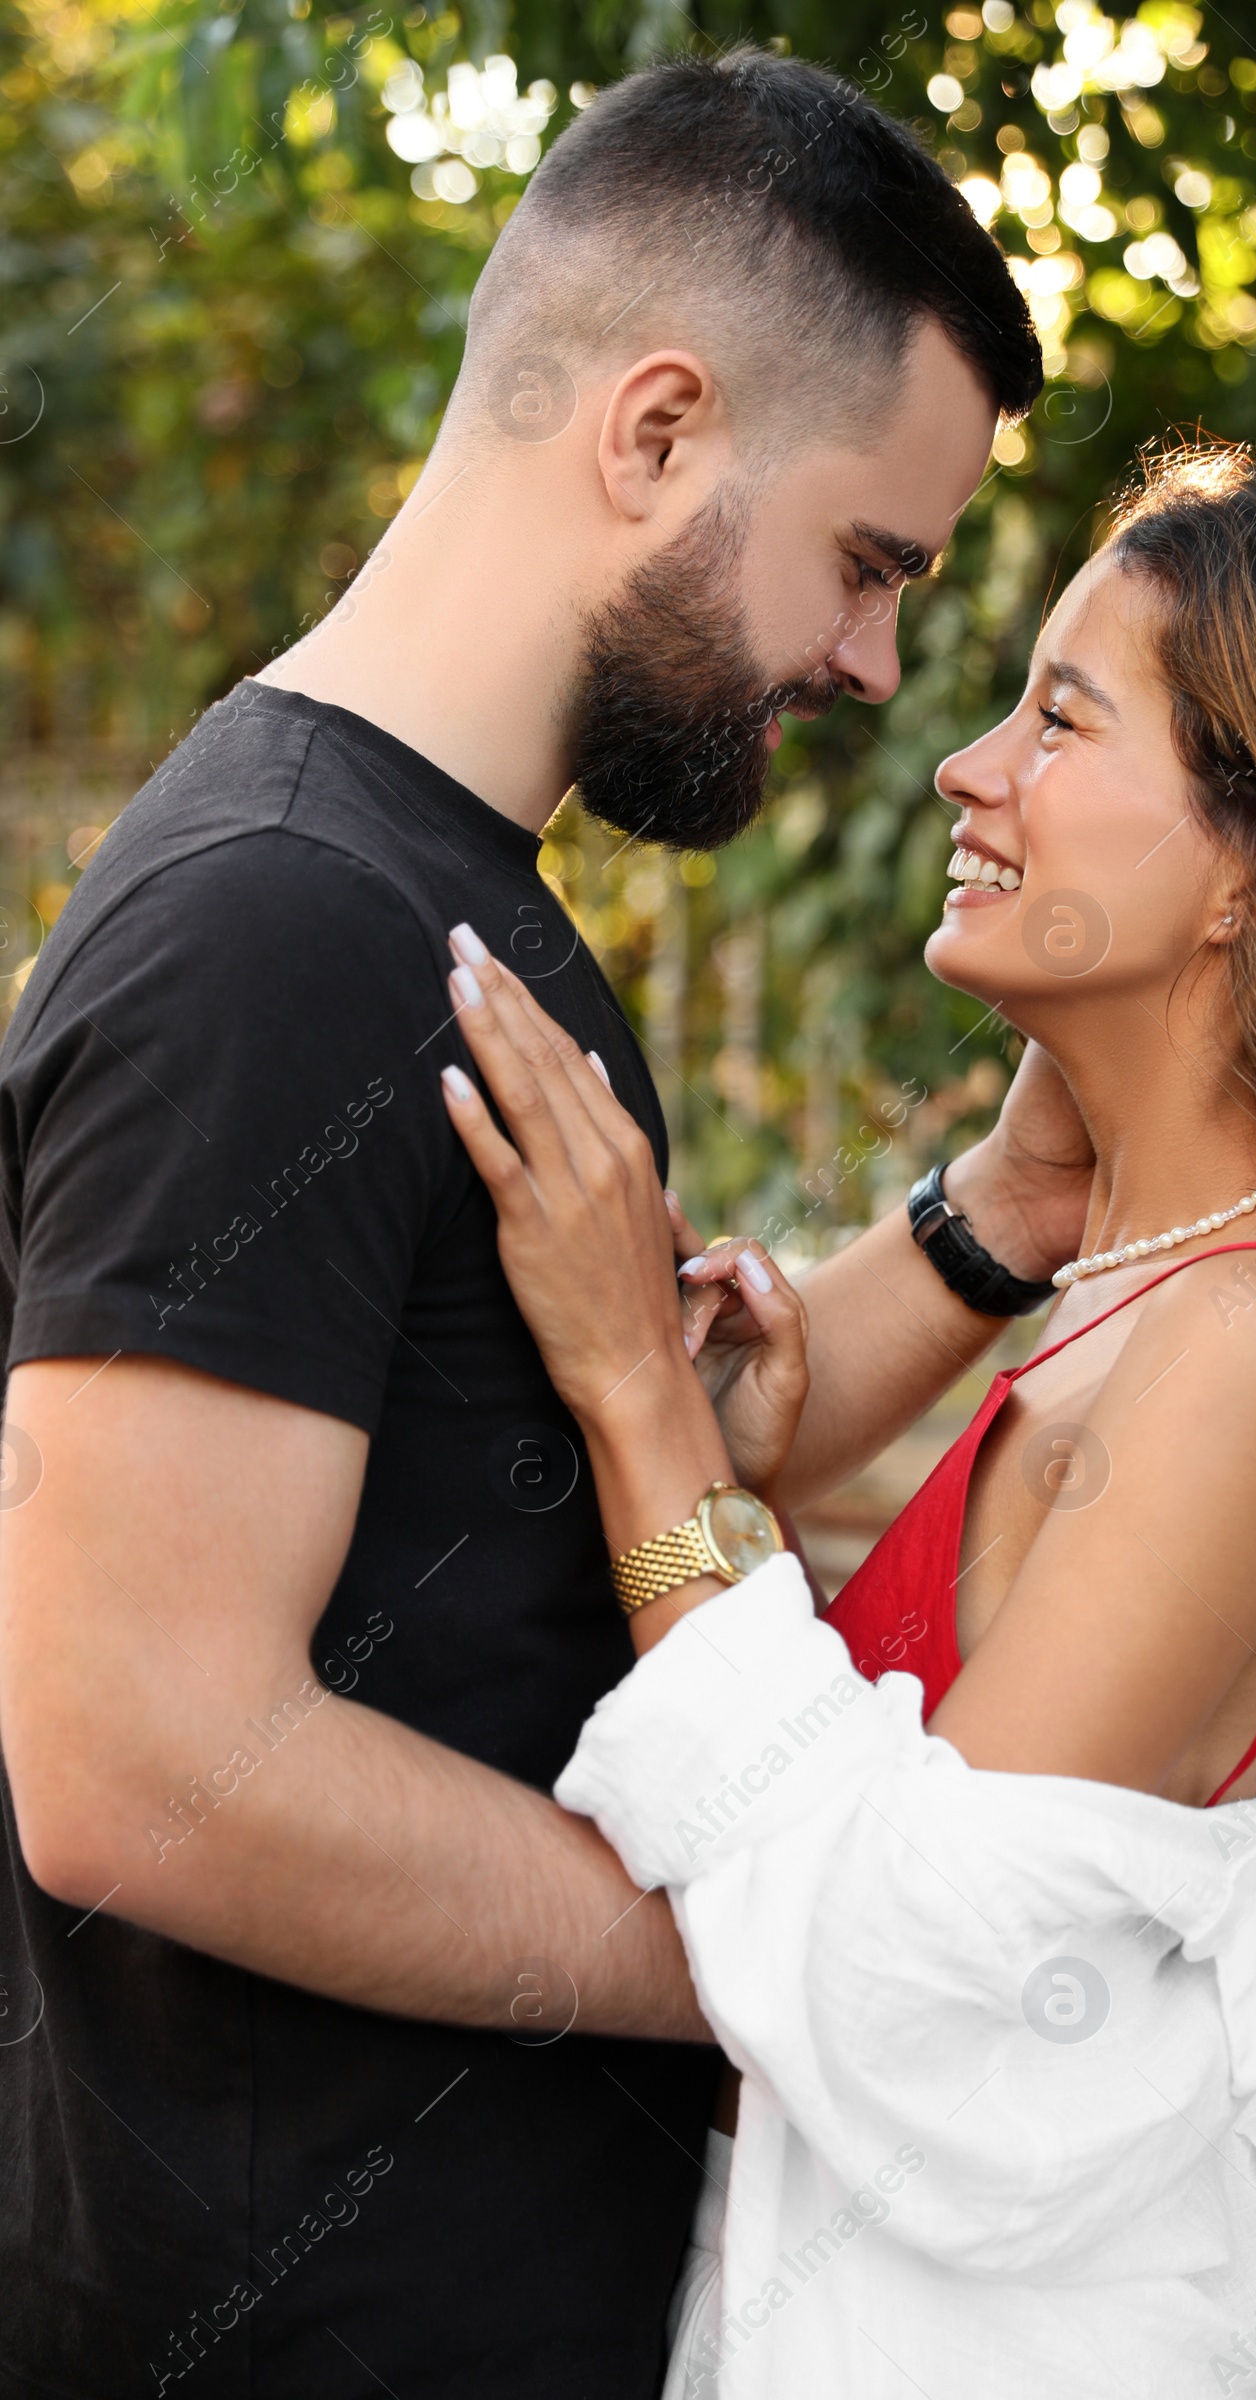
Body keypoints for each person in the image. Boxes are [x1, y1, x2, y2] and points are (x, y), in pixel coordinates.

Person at [0, 52, 1054, 2400]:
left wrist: (1013, 1206)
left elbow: (569, 1511)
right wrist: (749, 1961)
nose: (872, 666)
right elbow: (140, 1758)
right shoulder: (273, 929)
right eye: (866, 563)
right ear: (655, 432)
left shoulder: (439, 902)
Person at [437, 443, 1256, 2399]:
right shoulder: (1142, 1298)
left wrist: (636, 1398)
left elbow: (910, 1995)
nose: (965, 769)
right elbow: (870, 1797)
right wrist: (731, 1471)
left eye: (1057, 718)